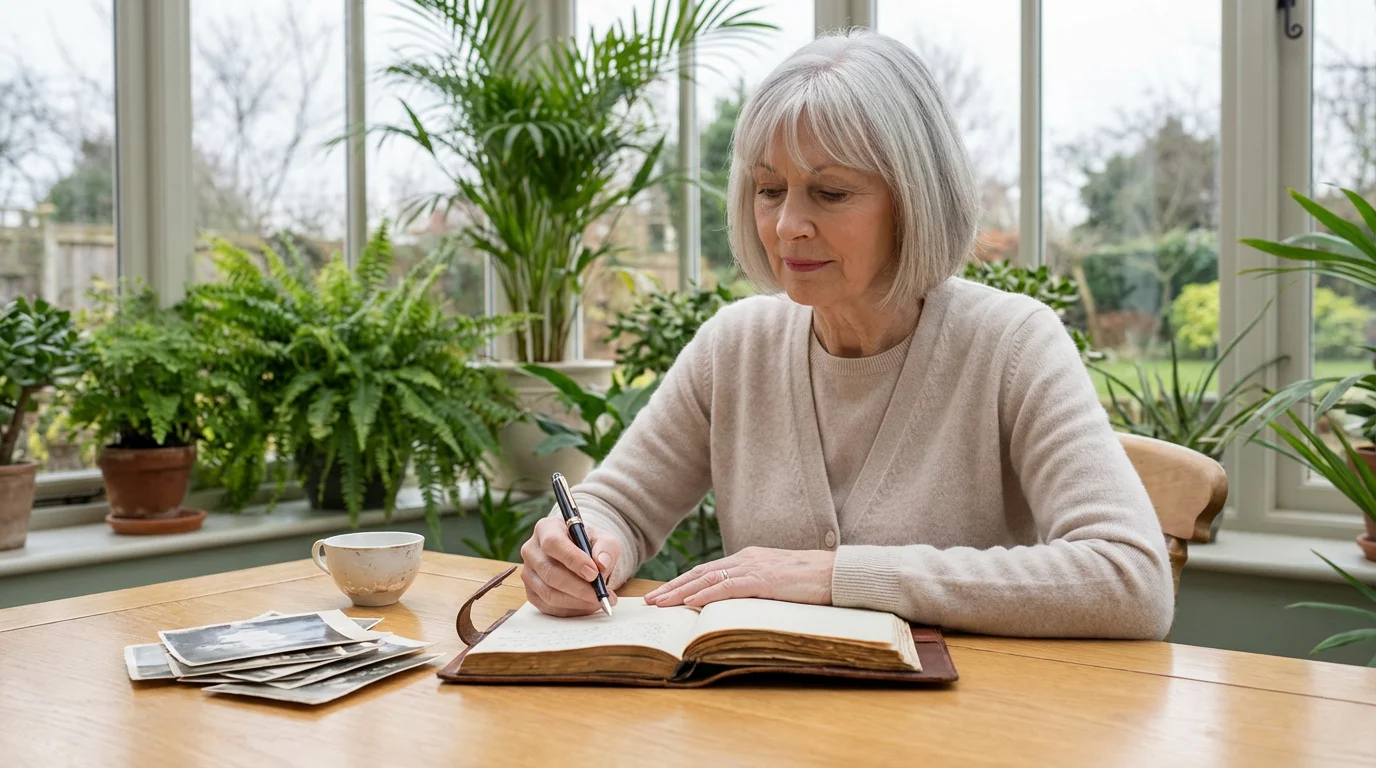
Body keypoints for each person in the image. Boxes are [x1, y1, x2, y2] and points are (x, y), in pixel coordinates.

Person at [519, 29, 1175, 639]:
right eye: (770, 189)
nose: (786, 226)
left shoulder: (1012, 345)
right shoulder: (735, 346)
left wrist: (838, 578)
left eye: (830, 193)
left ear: (915, 199)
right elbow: (619, 506)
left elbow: (1130, 577)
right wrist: (581, 547)